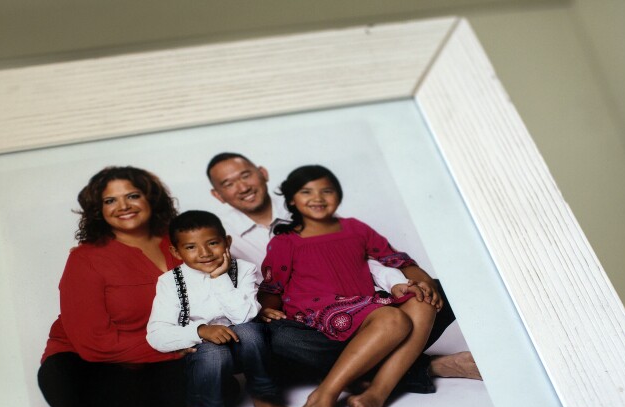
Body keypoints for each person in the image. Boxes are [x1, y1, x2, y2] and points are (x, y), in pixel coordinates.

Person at [206, 152, 481, 389]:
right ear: (217, 195)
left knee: (434, 291)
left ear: (262, 173)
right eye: (228, 184)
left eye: (245, 175)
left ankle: (359, 374)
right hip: (301, 324)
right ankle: (425, 368)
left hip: (356, 308)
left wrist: (401, 281)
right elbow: (246, 291)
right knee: (275, 337)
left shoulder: (307, 203)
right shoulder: (221, 238)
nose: (242, 187)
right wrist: (263, 308)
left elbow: (359, 258)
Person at [32, 166, 205, 407]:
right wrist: (177, 345)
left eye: (133, 195)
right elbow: (94, 343)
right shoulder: (86, 258)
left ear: (151, 198)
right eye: (110, 201)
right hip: (82, 364)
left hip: (150, 363)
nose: (123, 206)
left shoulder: (180, 242)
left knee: (223, 392)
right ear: (99, 211)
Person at [258, 165, 439, 407]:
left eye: (326, 191)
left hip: (365, 302)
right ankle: (321, 400)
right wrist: (266, 310)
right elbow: (273, 285)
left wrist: (423, 282)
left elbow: (396, 259)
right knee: (392, 319)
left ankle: (375, 395)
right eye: (307, 192)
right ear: (292, 200)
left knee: (423, 302)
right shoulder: (286, 241)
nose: (318, 198)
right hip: (318, 308)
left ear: (338, 197)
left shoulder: (356, 228)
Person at [147, 210, 293, 407]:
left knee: (252, 332)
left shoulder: (243, 269)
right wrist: (200, 331)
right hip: (204, 352)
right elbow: (156, 334)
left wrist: (219, 277)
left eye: (213, 243)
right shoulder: (170, 282)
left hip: (243, 345)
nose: (204, 253)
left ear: (227, 242)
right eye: (191, 247)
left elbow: (246, 315)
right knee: (214, 355)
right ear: (176, 251)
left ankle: (262, 395)